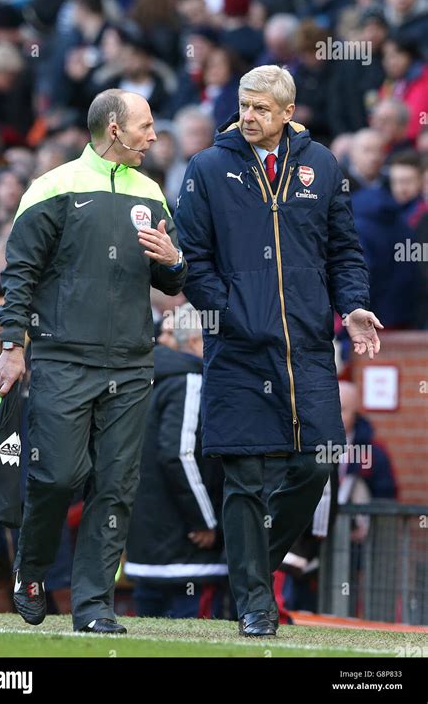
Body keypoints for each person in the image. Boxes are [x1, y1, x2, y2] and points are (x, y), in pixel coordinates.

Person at [174, 64, 383, 637]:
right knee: (243, 475)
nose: (248, 116)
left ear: (289, 112)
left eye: (262, 108)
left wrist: (354, 304)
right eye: (244, 105)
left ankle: (252, 572)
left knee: (318, 462)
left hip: (310, 346)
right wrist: (239, 315)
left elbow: (343, 250)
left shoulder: (321, 165)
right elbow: (191, 259)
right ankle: (254, 605)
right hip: (239, 348)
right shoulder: (208, 168)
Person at [0, 88, 188, 635]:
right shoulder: (51, 187)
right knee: (56, 477)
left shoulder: (151, 192)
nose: (154, 137)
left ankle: (94, 604)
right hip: (62, 359)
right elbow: (20, 273)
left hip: (132, 364)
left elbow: (170, 281)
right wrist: (13, 345)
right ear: (113, 130)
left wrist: (175, 262)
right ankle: (30, 573)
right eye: (145, 126)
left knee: (116, 484)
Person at [0, 280, 73, 613]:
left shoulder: (45, 361)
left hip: (34, 490)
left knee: (50, 582)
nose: (2, 322)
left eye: (10, 314)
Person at [125, 303, 227, 618]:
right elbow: (179, 454)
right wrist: (205, 520)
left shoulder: (141, 376)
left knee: (145, 638)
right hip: (185, 541)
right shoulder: (188, 379)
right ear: (198, 342)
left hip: (144, 534)